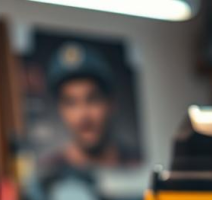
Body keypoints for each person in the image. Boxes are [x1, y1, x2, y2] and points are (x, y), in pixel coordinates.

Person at [40, 42, 139, 172]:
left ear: (111, 103)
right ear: (60, 110)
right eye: (71, 103)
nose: (83, 115)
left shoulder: (135, 163)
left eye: (92, 99)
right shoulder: (47, 173)